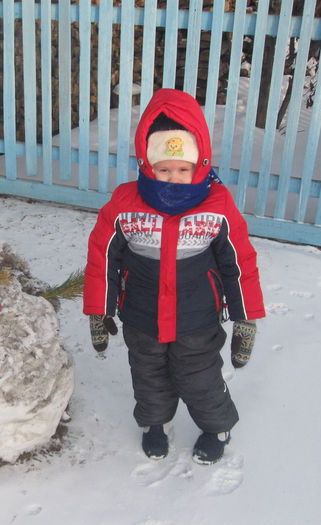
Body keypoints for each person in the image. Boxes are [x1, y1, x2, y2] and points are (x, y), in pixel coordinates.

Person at [83, 88, 265, 465]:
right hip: (141, 315)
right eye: (164, 169)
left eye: (183, 170)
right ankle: (155, 424)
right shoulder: (125, 204)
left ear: (200, 165)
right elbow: (103, 257)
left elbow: (239, 262)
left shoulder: (217, 206)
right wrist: (99, 311)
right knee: (148, 374)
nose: (174, 179)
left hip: (196, 317)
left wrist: (245, 318)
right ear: (147, 165)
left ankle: (217, 427)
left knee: (199, 376)